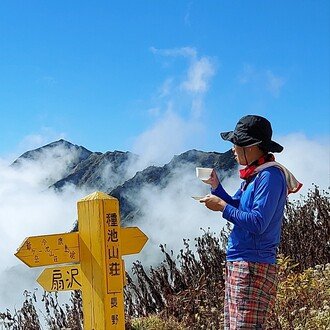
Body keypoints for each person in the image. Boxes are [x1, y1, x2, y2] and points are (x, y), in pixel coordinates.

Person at [200, 115, 302, 329]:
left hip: (253, 265)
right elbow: (238, 206)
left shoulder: (269, 177)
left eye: (236, 145)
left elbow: (258, 223)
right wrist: (216, 188)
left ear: (252, 146)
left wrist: (221, 206)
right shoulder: (255, 176)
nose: (233, 150)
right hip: (242, 262)